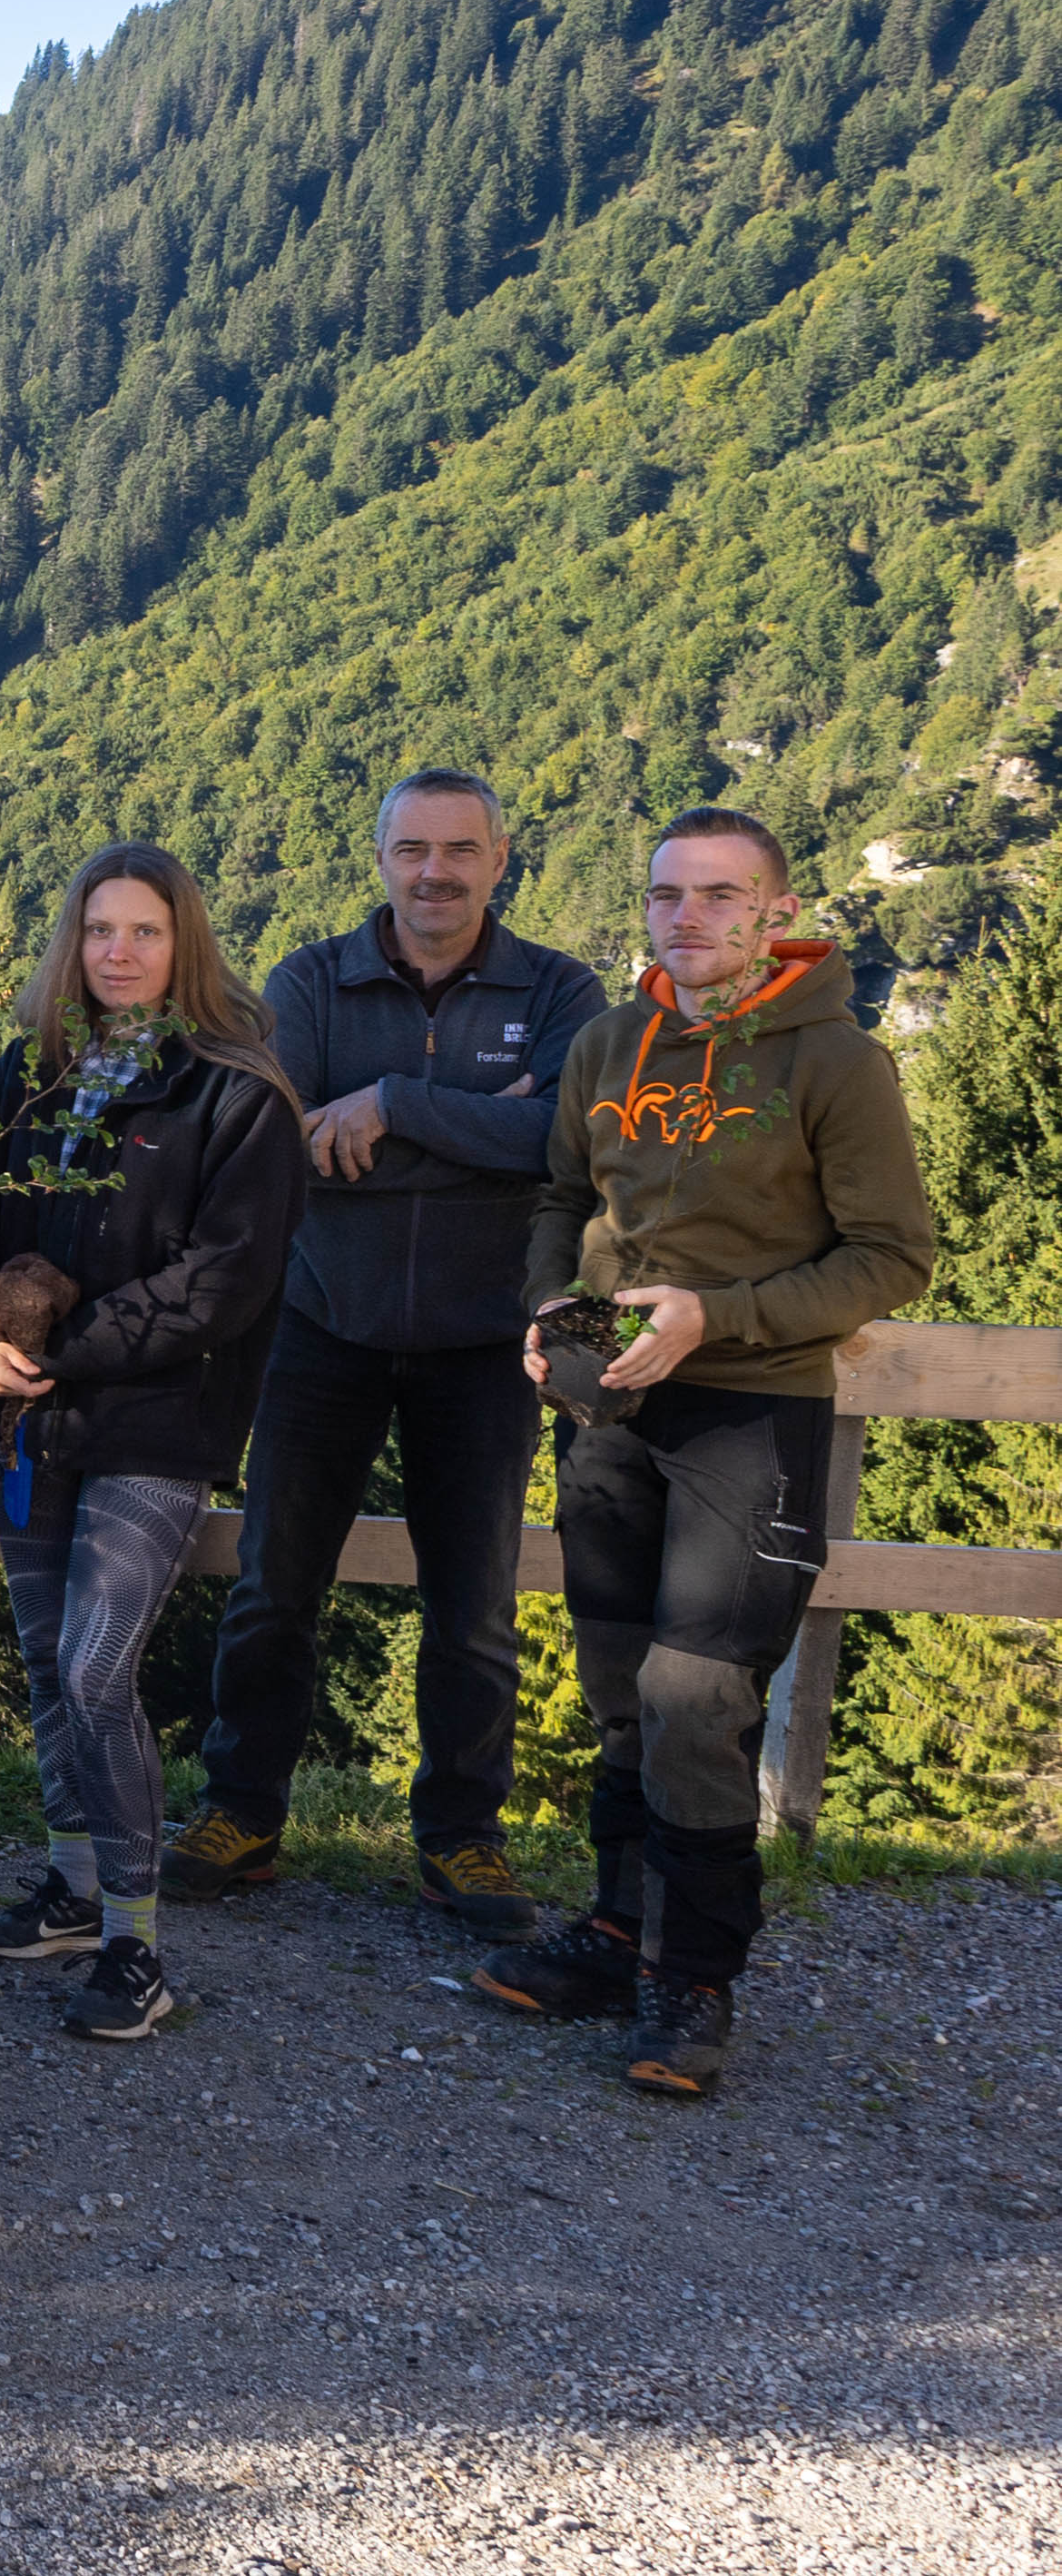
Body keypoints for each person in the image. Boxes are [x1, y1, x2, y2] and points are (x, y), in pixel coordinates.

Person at [468, 808, 933, 2098]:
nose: (689, 915)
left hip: (749, 1404)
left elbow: (892, 1252)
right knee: (621, 1677)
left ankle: (696, 1977)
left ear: (772, 909)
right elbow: (563, 1193)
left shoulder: (835, 1061)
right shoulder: (611, 1043)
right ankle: (621, 1930)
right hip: (613, 1401)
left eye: (720, 894)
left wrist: (714, 1317)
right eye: (669, 891)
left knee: (699, 1692)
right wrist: (549, 1303)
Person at [171, 768, 606, 1935]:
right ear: (378, 858)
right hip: (321, 1325)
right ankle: (240, 1811)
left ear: (499, 858)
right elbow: (282, 1146)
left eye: (458, 850)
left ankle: (461, 1836)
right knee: (273, 1586)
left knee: (471, 1604)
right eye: (411, 848)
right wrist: (481, 1122)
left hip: (481, 1344)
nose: (434, 872)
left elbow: (563, 1147)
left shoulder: (560, 986)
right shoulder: (311, 979)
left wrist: (394, 1104)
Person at [0, 840, 303, 2042]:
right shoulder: (29, 1073)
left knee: (97, 1668)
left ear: (182, 940)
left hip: (158, 1420)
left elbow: (226, 1281)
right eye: (100, 930)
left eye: (144, 931)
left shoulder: (235, 1090)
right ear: (74, 941)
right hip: (32, 1414)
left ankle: (135, 1943)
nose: (120, 952)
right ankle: (69, 1883)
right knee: (47, 1661)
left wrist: (71, 1342)